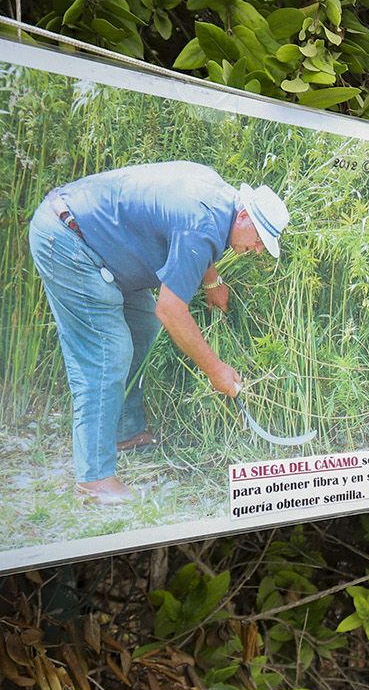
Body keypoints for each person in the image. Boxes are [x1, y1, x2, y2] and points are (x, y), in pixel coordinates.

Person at [27, 161, 288, 505]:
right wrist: (216, 371)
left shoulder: (219, 200)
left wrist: (212, 280)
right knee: (108, 353)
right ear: (243, 217)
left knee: (143, 330)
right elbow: (171, 310)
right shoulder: (203, 223)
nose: (257, 249)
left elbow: (190, 238)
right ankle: (94, 479)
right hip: (69, 240)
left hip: (108, 248)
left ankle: (125, 432)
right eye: (258, 239)